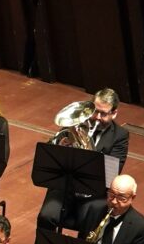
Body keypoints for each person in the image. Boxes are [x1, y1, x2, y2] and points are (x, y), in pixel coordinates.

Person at [35, 89, 130, 234]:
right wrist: (60, 144)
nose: (97, 117)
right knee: (46, 216)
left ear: (114, 113)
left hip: (94, 194)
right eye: (95, 111)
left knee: (88, 225)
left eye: (103, 114)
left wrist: (88, 155)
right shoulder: (76, 123)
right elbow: (50, 150)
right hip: (66, 187)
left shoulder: (120, 136)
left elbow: (113, 170)